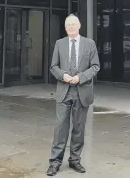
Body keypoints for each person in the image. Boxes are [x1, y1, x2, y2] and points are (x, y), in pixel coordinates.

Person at [46, 14, 100, 176]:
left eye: (73, 24)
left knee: (78, 129)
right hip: (64, 92)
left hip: (82, 92)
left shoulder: (89, 44)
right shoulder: (59, 43)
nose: (70, 27)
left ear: (79, 25)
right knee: (60, 128)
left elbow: (95, 66)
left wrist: (80, 77)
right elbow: (53, 66)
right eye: (68, 24)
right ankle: (55, 162)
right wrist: (63, 76)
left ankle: (75, 160)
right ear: (65, 27)